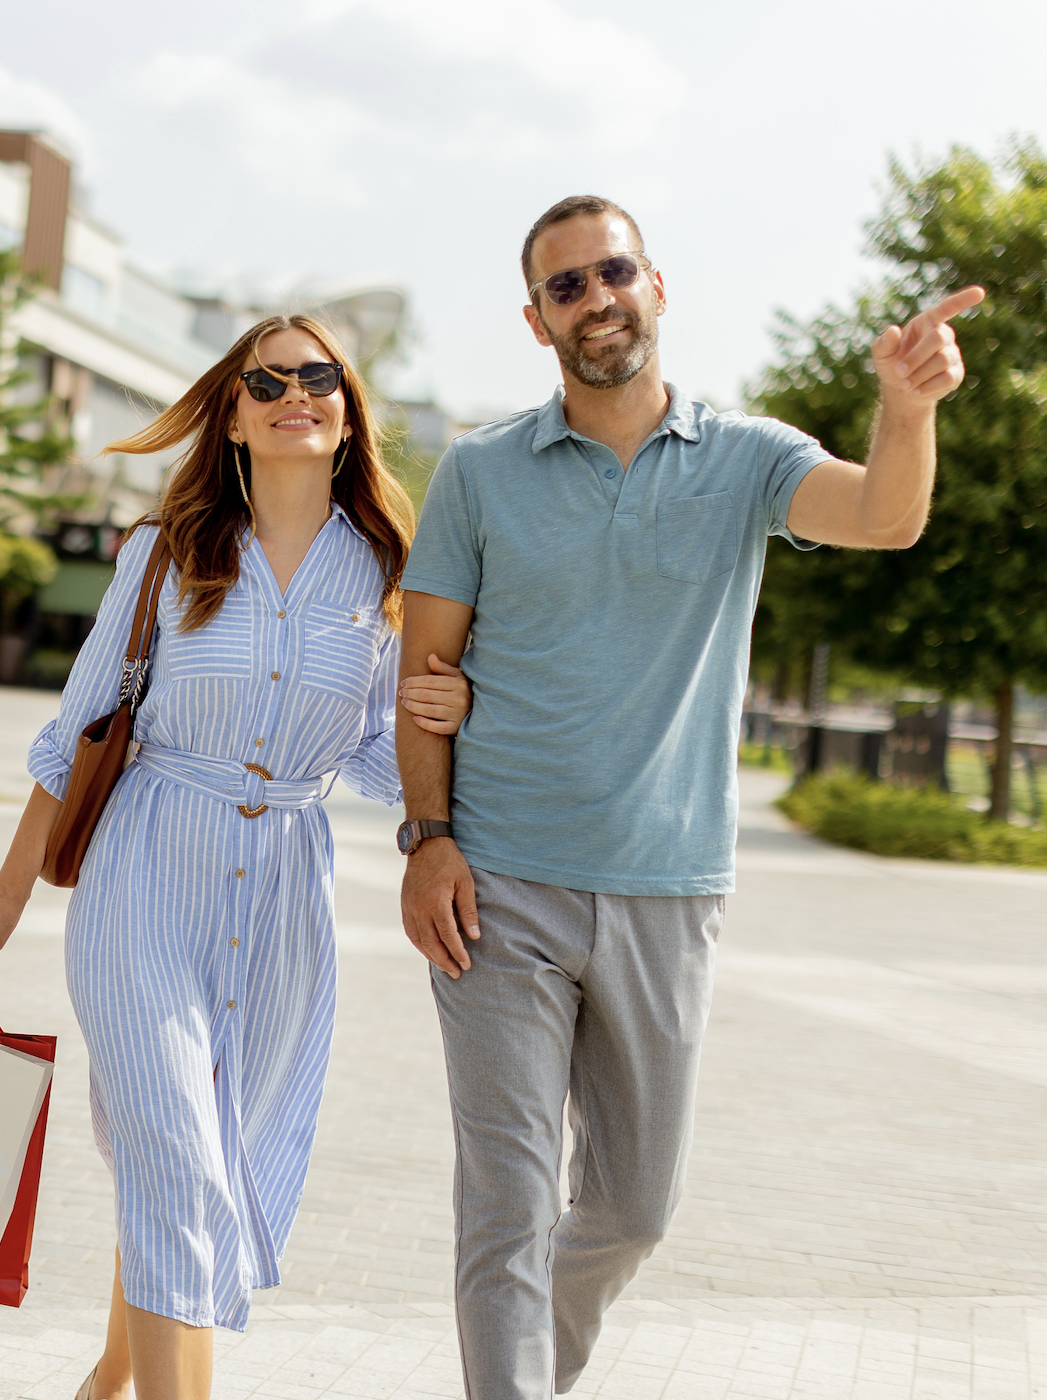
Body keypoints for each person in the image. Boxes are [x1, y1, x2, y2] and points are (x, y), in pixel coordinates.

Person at [394, 194, 983, 1397]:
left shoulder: (748, 458)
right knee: (507, 1202)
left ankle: (522, 1372)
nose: (595, 297)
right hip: (499, 883)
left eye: (613, 271)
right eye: (566, 285)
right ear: (535, 318)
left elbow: (886, 514)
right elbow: (424, 671)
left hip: (669, 884)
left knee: (634, 1205)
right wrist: (428, 838)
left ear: (656, 286)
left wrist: (906, 404)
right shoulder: (479, 470)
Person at [0, 314, 472, 1400]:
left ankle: (103, 1385)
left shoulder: (387, 572)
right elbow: (75, 728)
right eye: (264, 379)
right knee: (178, 1151)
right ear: (231, 411)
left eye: (315, 376)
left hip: (283, 893)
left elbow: (374, 758)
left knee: (200, 1160)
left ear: (345, 407)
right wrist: (5, 895)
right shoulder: (164, 553)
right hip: (145, 870)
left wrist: (447, 709)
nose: (292, 392)